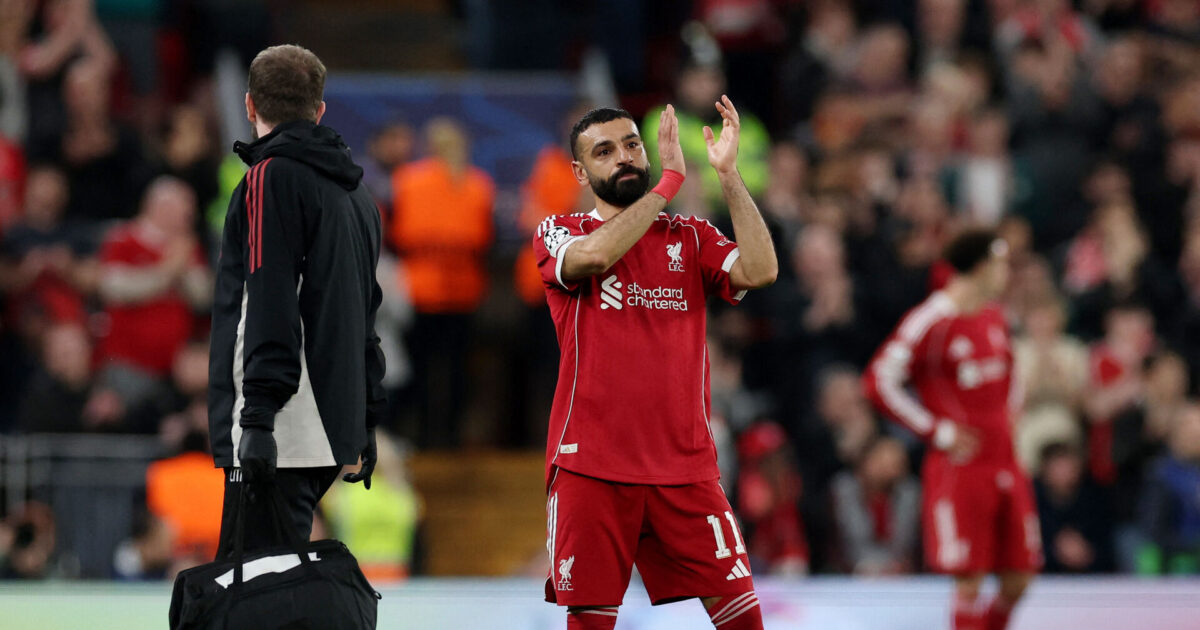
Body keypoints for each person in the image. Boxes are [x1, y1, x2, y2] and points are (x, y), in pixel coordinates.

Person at [533, 97, 777, 629]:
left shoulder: (689, 237)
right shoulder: (560, 230)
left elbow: (760, 270)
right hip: (592, 467)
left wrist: (729, 176)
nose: (623, 157)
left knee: (746, 621)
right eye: (604, 152)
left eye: (631, 145)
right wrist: (667, 185)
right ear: (580, 171)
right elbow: (595, 257)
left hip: (686, 469)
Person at [207, 45, 386, 555]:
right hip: (333, 420)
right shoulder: (358, 196)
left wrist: (258, 419)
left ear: (249, 106)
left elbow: (269, 299)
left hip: (284, 424)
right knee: (277, 587)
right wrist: (367, 412)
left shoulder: (269, 177)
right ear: (319, 109)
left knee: (251, 594)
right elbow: (366, 313)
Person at [864, 229, 1042, 630]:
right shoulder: (931, 319)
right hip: (961, 468)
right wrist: (938, 432)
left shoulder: (994, 314)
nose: (1005, 274)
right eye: (1000, 265)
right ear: (980, 268)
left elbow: (1010, 372)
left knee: (1019, 578)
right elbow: (878, 381)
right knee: (970, 580)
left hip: (1006, 460)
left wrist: (1011, 411)